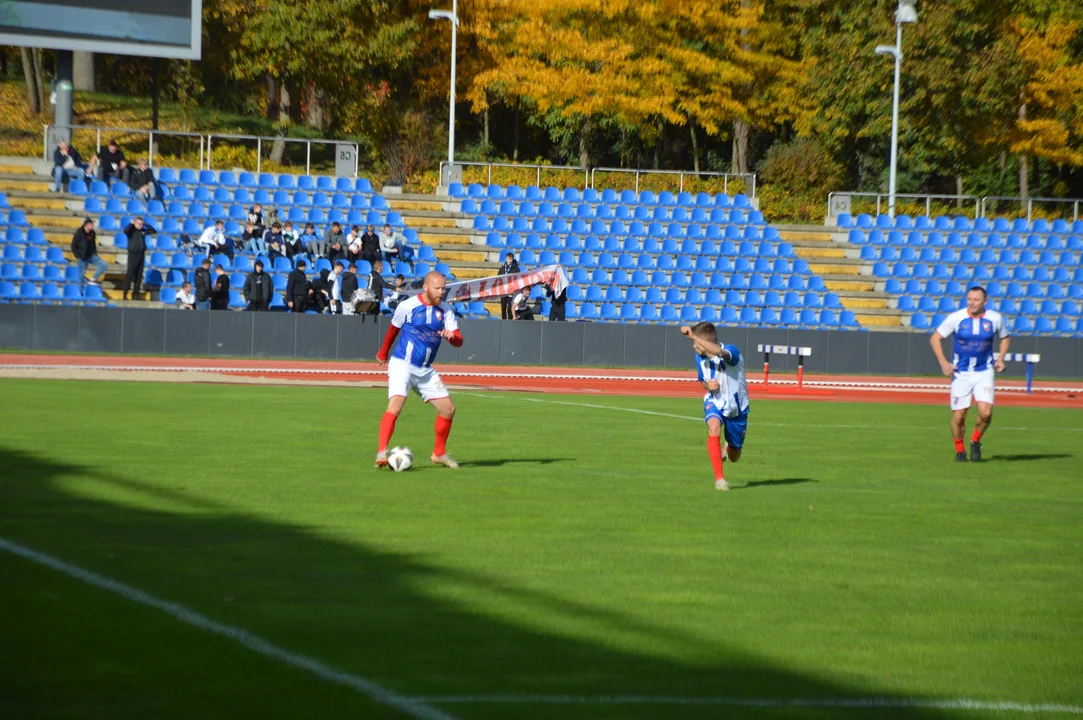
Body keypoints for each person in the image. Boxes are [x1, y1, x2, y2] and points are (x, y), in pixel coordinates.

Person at [375, 271, 464, 469]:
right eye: (437, 288)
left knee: (448, 410)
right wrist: (383, 353)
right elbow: (393, 330)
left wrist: (452, 337)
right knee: (396, 404)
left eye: (443, 288)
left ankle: (439, 454)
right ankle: (381, 452)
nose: (441, 292)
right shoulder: (408, 306)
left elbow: (459, 341)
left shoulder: (446, 311)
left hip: (425, 369)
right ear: (425, 287)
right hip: (402, 364)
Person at [929, 286, 1011, 462]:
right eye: (969, 299)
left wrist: (1001, 359)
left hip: (984, 371)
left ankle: (975, 440)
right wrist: (943, 363)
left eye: (976, 300)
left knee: (986, 413)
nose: (972, 303)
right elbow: (935, 338)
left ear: (985, 302)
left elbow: (1005, 337)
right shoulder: (956, 318)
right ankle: (960, 450)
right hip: (961, 373)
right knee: (959, 416)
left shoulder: (995, 318)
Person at [680, 322, 749, 491]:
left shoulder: (732, 352)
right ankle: (720, 479)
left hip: (736, 409)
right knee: (713, 427)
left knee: (734, 456)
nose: (694, 346)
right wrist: (707, 385)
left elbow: (719, 352)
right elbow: (702, 381)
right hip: (714, 402)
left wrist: (694, 336)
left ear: (705, 342)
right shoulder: (699, 358)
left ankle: (728, 449)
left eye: (696, 343)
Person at [121, 216, 157, 301]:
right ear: (135, 223)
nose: (140, 226)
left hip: (141, 254)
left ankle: (136, 294)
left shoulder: (142, 231)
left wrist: (145, 224)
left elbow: (153, 231)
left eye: (141, 224)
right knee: (130, 274)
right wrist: (131, 224)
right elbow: (125, 231)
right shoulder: (131, 231)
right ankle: (125, 293)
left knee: (139, 275)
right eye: (139, 224)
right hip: (133, 254)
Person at [70, 218, 108, 290]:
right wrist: (78, 256)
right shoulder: (79, 232)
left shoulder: (92, 233)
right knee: (81, 274)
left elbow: (93, 244)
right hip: (82, 257)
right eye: (91, 224)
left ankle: (92, 279)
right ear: (87, 225)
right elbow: (73, 245)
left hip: (91, 255)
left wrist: (95, 253)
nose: (92, 225)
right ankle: (80, 291)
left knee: (104, 265)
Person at [499, 252, 520, 319]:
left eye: (510, 259)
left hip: (511, 290)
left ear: (512, 259)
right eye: (508, 258)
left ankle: (510, 320)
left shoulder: (516, 269)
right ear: (506, 259)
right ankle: (503, 321)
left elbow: (518, 279)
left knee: (510, 307)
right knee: (503, 307)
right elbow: (498, 277)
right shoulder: (502, 268)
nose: (509, 260)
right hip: (503, 290)